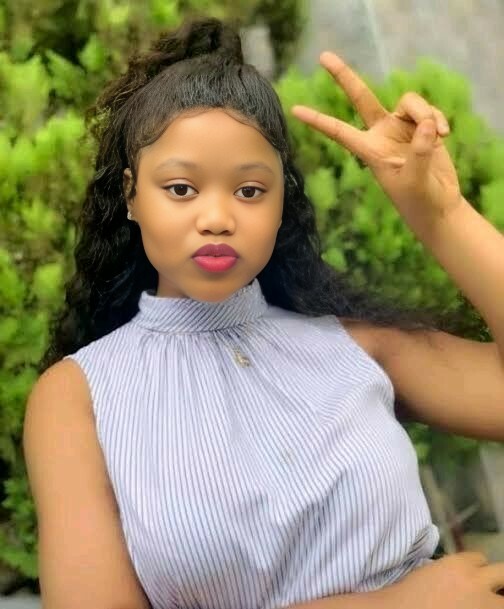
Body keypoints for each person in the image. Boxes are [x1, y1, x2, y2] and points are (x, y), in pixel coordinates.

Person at [23, 15, 504, 609]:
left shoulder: (354, 344)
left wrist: (443, 215)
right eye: (181, 189)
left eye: (250, 190)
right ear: (131, 196)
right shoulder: (78, 396)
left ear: (281, 204)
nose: (217, 218)